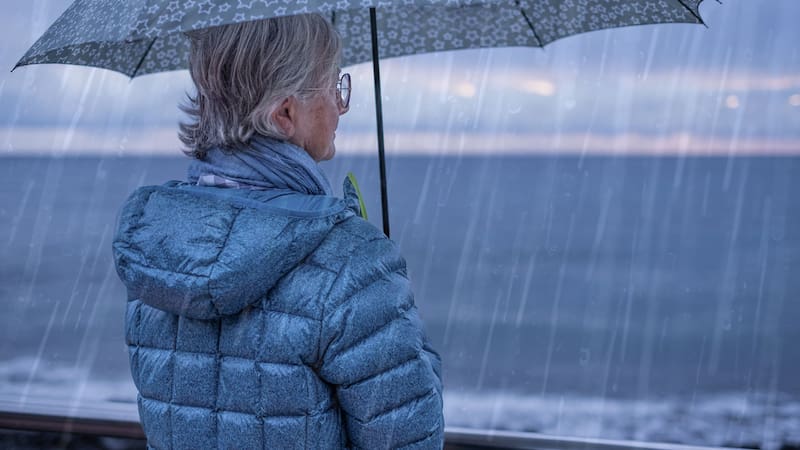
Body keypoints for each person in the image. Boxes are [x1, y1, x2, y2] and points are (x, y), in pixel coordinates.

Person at [112, 14, 444, 449]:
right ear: (286, 114)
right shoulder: (350, 260)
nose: (341, 105)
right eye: (334, 86)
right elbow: (408, 437)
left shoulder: (157, 243)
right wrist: (394, 311)